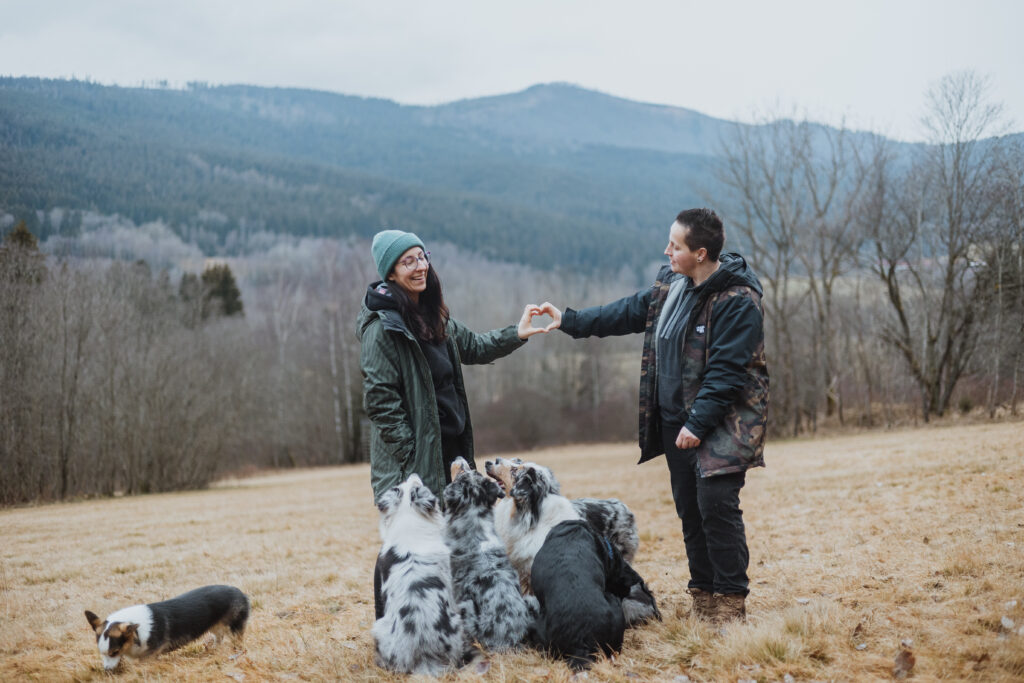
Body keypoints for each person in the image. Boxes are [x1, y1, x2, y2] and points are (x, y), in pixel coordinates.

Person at [545, 208, 768, 625]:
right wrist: (568, 321)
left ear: (700, 253)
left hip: (721, 423)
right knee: (690, 509)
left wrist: (697, 424)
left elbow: (725, 373)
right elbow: (629, 311)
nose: (666, 251)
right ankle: (703, 595)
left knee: (716, 507)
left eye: (675, 245)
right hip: (674, 422)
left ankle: (730, 603)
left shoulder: (738, 301)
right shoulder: (672, 284)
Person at [357, 229, 550, 503]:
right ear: (390, 273)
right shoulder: (382, 330)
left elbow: (475, 346)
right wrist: (412, 453)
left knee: (459, 540)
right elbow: (380, 402)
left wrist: (517, 333)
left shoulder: (433, 317)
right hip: (415, 465)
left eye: (422, 257)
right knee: (420, 545)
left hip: (451, 452)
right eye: (408, 261)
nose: (421, 267)